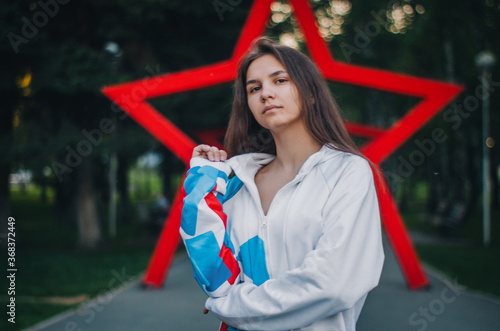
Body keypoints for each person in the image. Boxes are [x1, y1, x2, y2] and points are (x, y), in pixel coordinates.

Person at [179, 37, 384, 331]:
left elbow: (335, 283)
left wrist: (230, 306)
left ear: (311, 93)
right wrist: (203, 178)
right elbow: (213, 275)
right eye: (255, 88)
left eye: (280, 80)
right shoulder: (238, 182)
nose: (266, 94)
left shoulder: (347, 172)